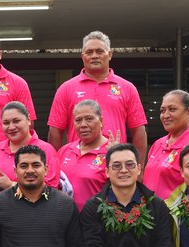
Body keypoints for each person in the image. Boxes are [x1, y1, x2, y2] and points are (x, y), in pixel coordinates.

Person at [0, 145, 91, 247]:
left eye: (36, 165)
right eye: (24, 166)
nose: (30, 170)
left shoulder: (66, 204)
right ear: (16, 171)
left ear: (46, 170)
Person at [80, 143, 174, 247]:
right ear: (107, 172)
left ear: (139, 169)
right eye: (116, 166)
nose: (123, 170)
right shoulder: (93, 207)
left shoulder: (157, 205)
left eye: (130, 165)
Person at [47, 31, 147, 160]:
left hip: (116, 162)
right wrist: (57, 165)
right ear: (83, 57)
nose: (94, 56)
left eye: (99, 51)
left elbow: (138, 130)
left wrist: (138, 166)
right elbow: (55, 131)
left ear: (109, 55)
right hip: (78, 162)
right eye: (89, 52)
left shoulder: (127, 88)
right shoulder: (66, 89)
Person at [0, 101, 59, 202]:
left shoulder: (46, 149)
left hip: (28, 211)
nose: (11, 127)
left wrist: (11, 186)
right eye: (6, 123)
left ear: (28, 120)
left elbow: (51, 191)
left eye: (16, 121)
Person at [143, 89, 189, 198]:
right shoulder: (158, 144)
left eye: (172, 109)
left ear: (188, 112)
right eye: (162, 110)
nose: (166, 115)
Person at [58, 100, 120, 210]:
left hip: (96, 219)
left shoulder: (113, 151)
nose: (83, 125)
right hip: (65, 218)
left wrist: (117, 160)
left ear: (101, 121)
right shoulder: (64, 151)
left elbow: (123, 190)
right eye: (78, 120)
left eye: (89, 119)